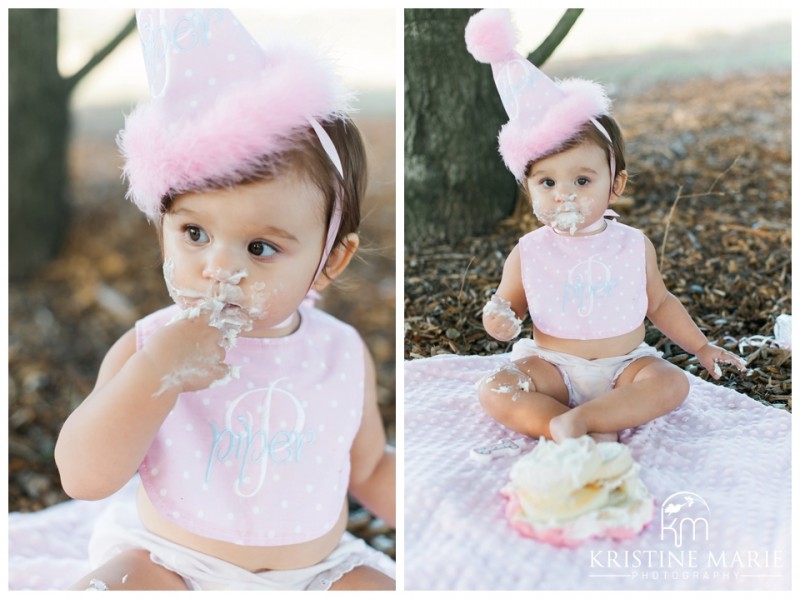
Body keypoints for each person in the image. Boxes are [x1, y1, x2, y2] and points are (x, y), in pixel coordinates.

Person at [54, 9, 395, 590]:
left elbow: (366, 466)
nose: (219, 268)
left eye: (260, 247)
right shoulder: (148, 346)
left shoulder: (339, 350)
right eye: (194, 234)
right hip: (170, 561)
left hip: (315, 571)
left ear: (330, 260)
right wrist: (157, 373)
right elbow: (83, 476)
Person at [465, 9, 745, 443]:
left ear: (615, 185)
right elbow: (507, 304)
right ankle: (559, 422)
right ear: (529, 188)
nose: (564, 193)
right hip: (553, 364)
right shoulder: (530, 250)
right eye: (547, 182)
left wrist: (701, 346)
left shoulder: (632, 245)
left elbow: (661, 302)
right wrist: (498, 318)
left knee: (672, 383)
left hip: (623, 366)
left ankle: (585, 419)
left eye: (582, 179)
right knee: (496, 389)